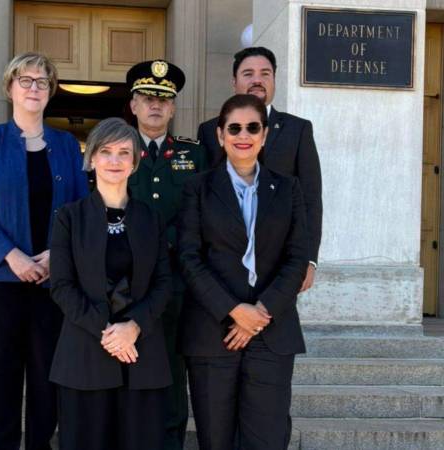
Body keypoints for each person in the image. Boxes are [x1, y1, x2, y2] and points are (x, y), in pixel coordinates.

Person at [0, 51, 89, 450]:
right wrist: (11, 255)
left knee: (46, 381)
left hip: (52, 284)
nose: (34, 88)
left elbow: (82, 208)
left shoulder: (68, 145)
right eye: (26, 80)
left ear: (50, 92)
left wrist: (57, 254)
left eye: (42, 81)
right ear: (10, 88)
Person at [179, 94, 308, 450]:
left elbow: (297, 258)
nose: (243, 134)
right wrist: (235, 311)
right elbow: (189, 258)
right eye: (234, 127)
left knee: (266, 440)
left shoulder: (288, 188)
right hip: (212, 333)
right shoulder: (198, 188)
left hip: (272, 333)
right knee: (215, 440)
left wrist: (260, 313)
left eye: (253, 127)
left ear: (264, 135)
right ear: (220, 135)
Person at [49, 117, 173, 450]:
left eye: (124, 152)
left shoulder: (152, 218)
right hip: (84, 356)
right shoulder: (68, 217)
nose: (114, 161)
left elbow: (164, 283)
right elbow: (61, 285)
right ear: (90, 159)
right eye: (106, 152)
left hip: (142, 356)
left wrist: (133, 328)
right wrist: (108, 332)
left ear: (135, 163)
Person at [125, 59, 208, 450]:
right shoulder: (115, 152)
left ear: (173, 108)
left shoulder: (195, 154)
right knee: (128, 362)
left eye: (164, 99)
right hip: (128, 281)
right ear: (133, 106)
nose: (155, 105)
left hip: (178, 281)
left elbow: (202, 214)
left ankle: (171, 441)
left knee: (174, 367)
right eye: (146, 97)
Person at [197, 46, 322, 292]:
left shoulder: (298, 130)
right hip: (223, 263)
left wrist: (309, 259)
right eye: (248, 73)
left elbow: (310, 199)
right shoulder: (210, 131)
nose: (257, 80)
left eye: (265, 73)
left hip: (281, 263)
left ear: (274, 80)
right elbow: (203, 197)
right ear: (234, 82)